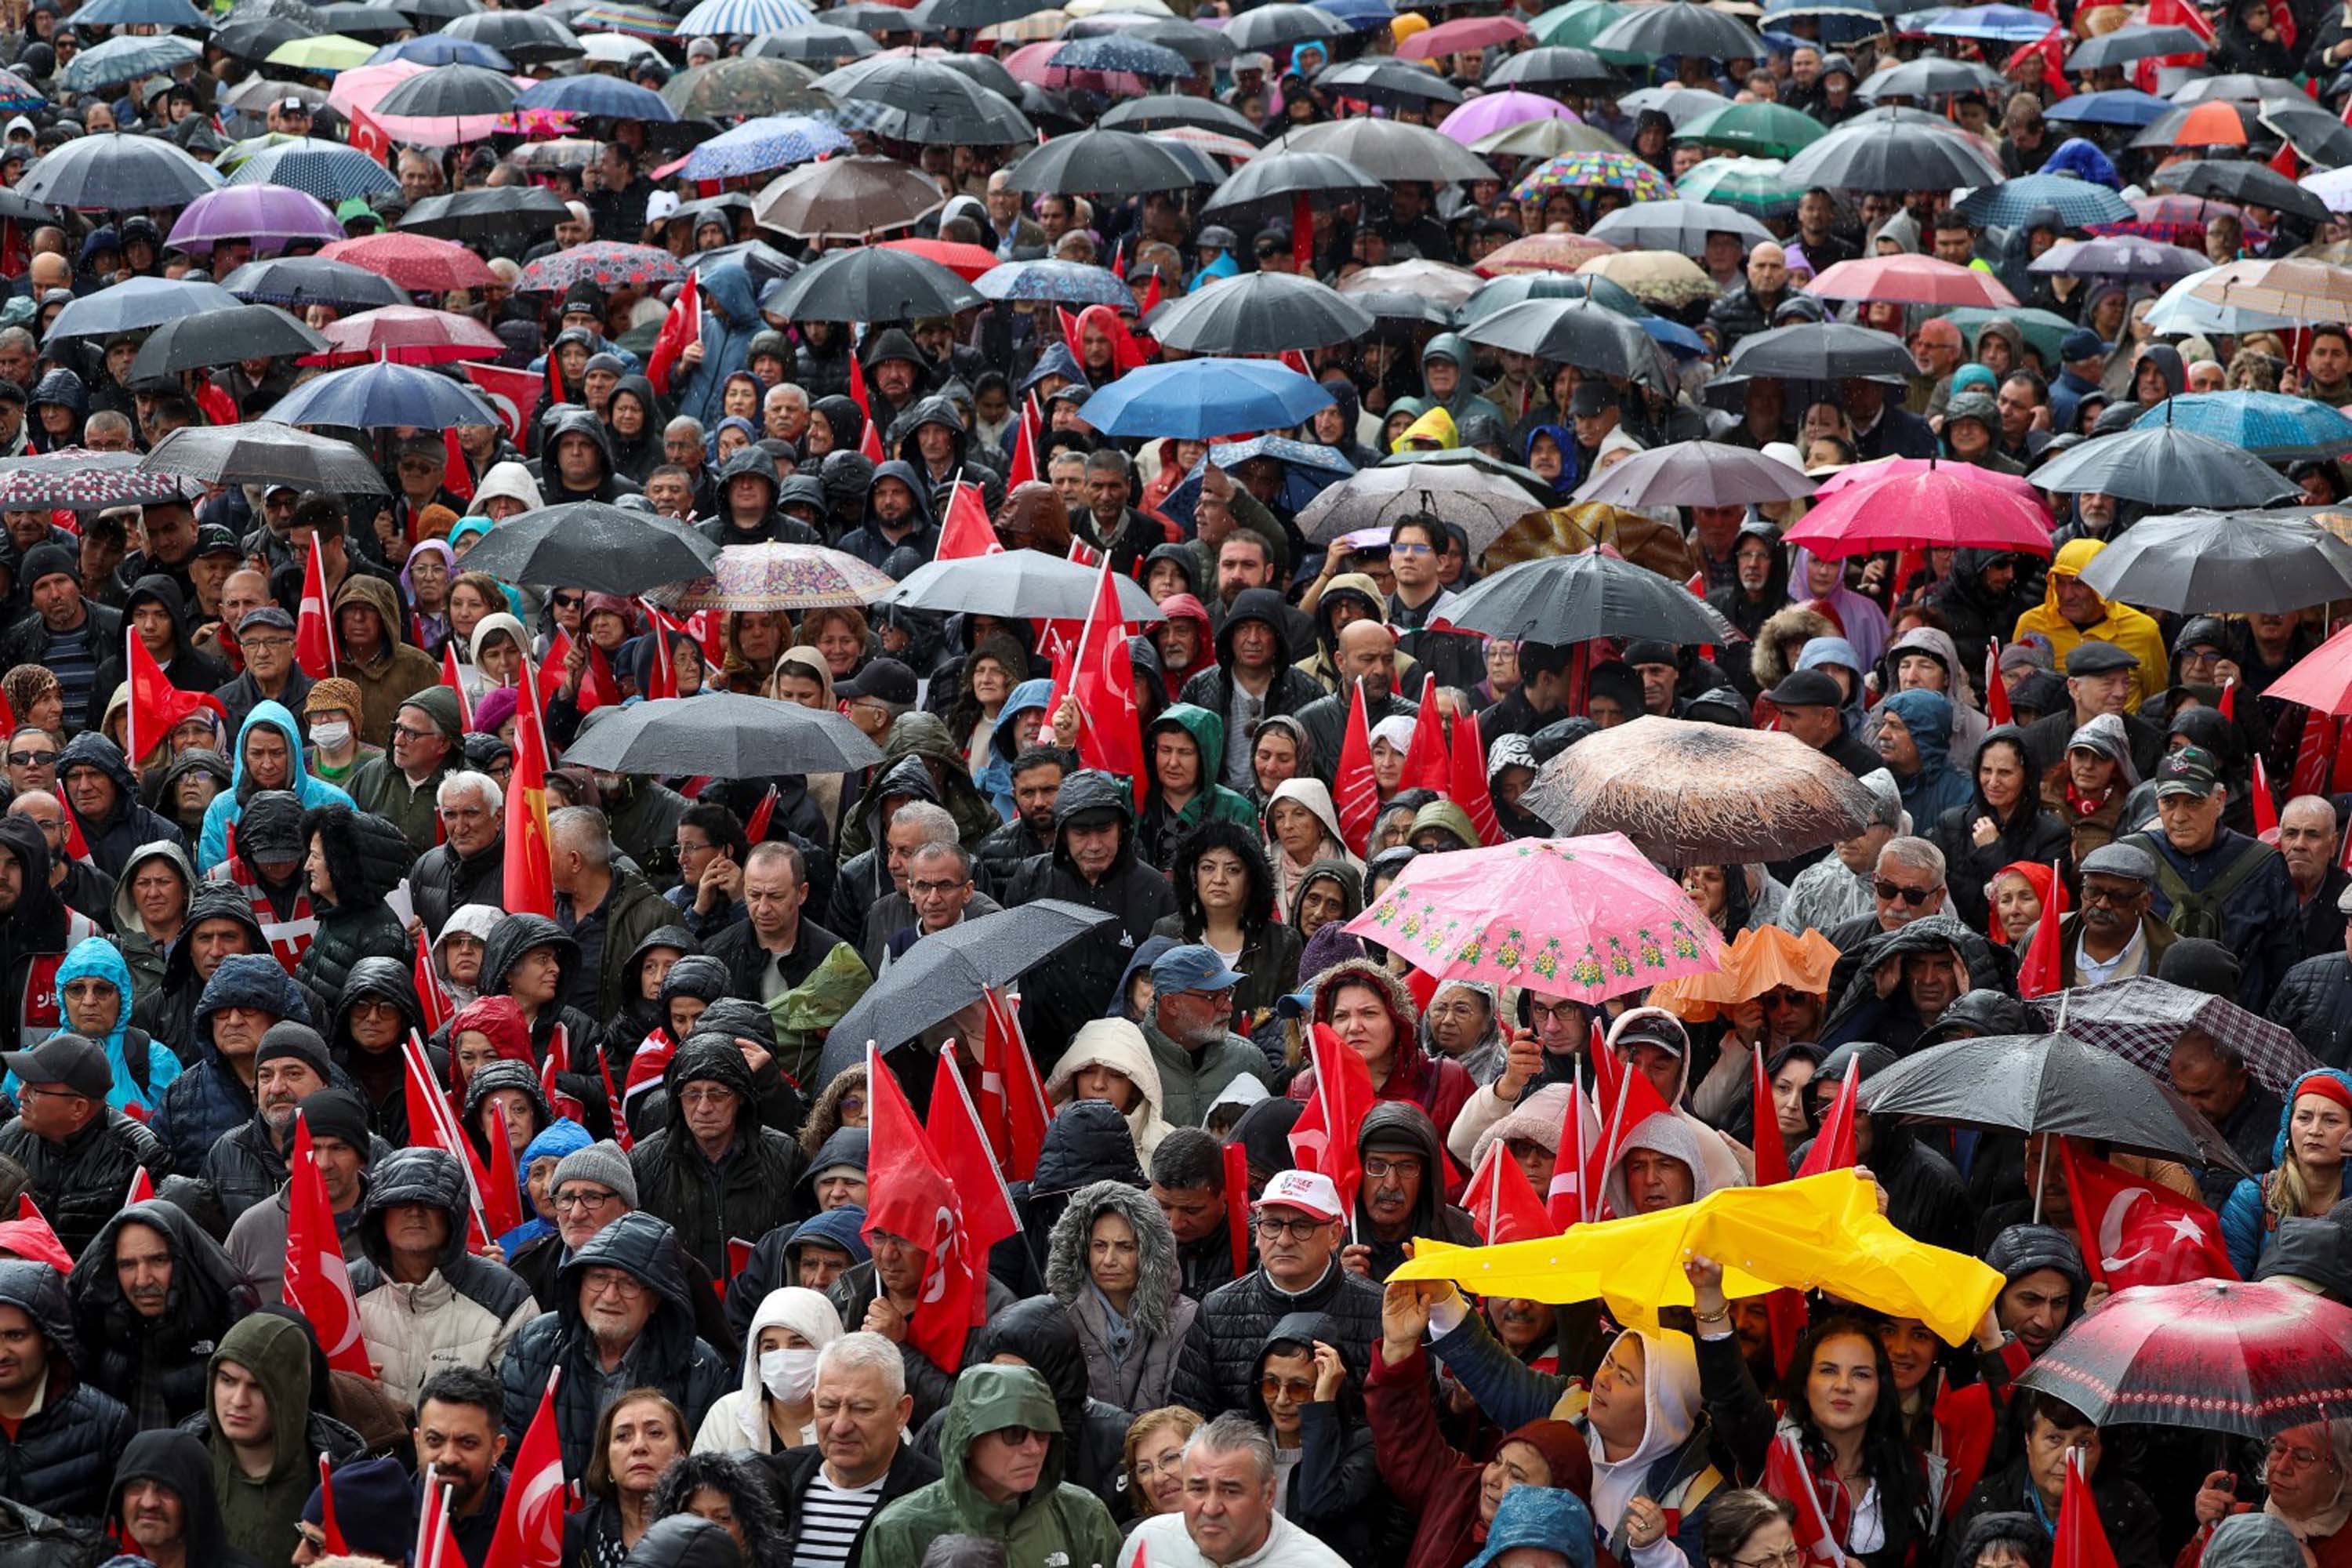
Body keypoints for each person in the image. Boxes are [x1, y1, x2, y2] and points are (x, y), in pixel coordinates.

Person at [498, 1209, 731, 1476]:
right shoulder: (534, 1346)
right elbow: (506, 1455)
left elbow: (705, 1480)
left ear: (655, 1299)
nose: (609, 1296)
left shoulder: (701, 1369)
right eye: (598, 1278)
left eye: (629, 1283)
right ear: (579, 1284)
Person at [862, 1363, 1126, 1568]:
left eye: (1043, 1434)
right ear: (968, 1441)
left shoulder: (1083, 1515)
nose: (1033, 1449)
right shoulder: (901, 1529)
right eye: (1014, 1434)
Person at [1172, 1169, 1385, 1418]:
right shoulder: (1216, 1310)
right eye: (1272, 1225)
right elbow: (1189, 1421)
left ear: (1335, 1234)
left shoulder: (1377, 1310)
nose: (1284, 1240)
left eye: (1301, 1226)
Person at [345, 1146, 539, 1410]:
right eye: (400, 1202)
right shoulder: (347, 1289)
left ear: (454, 1215)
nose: (415, 1213)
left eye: (429, 1203)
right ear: (379, 1214)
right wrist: (347, 1393)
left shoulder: (506, 1298)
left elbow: (519, 1415)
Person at [67, 1197, 258, 1432]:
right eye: (127, 1265)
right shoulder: (96, 1321)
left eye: (158, 1260)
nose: (143, 1280)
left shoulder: (227, 1311)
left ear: (182, 1260)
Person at [768, 1332, 941, 1567]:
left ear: (901, 1412)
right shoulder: (779, 1478)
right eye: (828, 1406)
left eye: (861, 1409)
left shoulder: (938, 1499)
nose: (840, 1426)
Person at [1044, 1179, 1200, 1415]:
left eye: (1125, 1247)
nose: (1108, 1260)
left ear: (1150, 1254)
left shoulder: (1185, 1320)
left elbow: (1183, 1416)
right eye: (1099, 1246)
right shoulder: (1058, 1316)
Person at [1116, 1413, 1352, 1568]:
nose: (1211, 1508)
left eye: (1230, 1491)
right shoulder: (1148, 1542)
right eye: (1198, 1489)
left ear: (1268, 1494)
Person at [691, 1283, 840, 1455]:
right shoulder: (727, 1414)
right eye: (770, 1347)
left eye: (797, 1343)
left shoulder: (848, 1421)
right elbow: (697, 1481)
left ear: (826, 1345)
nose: (783, 1358)